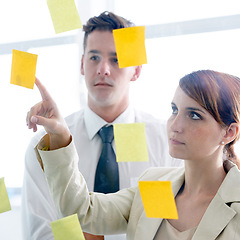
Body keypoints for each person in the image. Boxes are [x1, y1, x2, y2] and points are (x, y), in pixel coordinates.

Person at [22, 11, 181, 240]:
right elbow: (40, 232)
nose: (103, 69)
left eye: (116, 59)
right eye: (94, 57)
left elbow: (170, 229)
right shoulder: (46, 146)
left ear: (136, 71)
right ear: (82, 65)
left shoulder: (166, 142)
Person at [27, 70, 240, 239]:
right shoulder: (156, 186)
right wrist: (61, 134)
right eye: (174, 110)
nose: (175, 125)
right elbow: (82, 211)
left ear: (229, 132)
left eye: (194, 115)